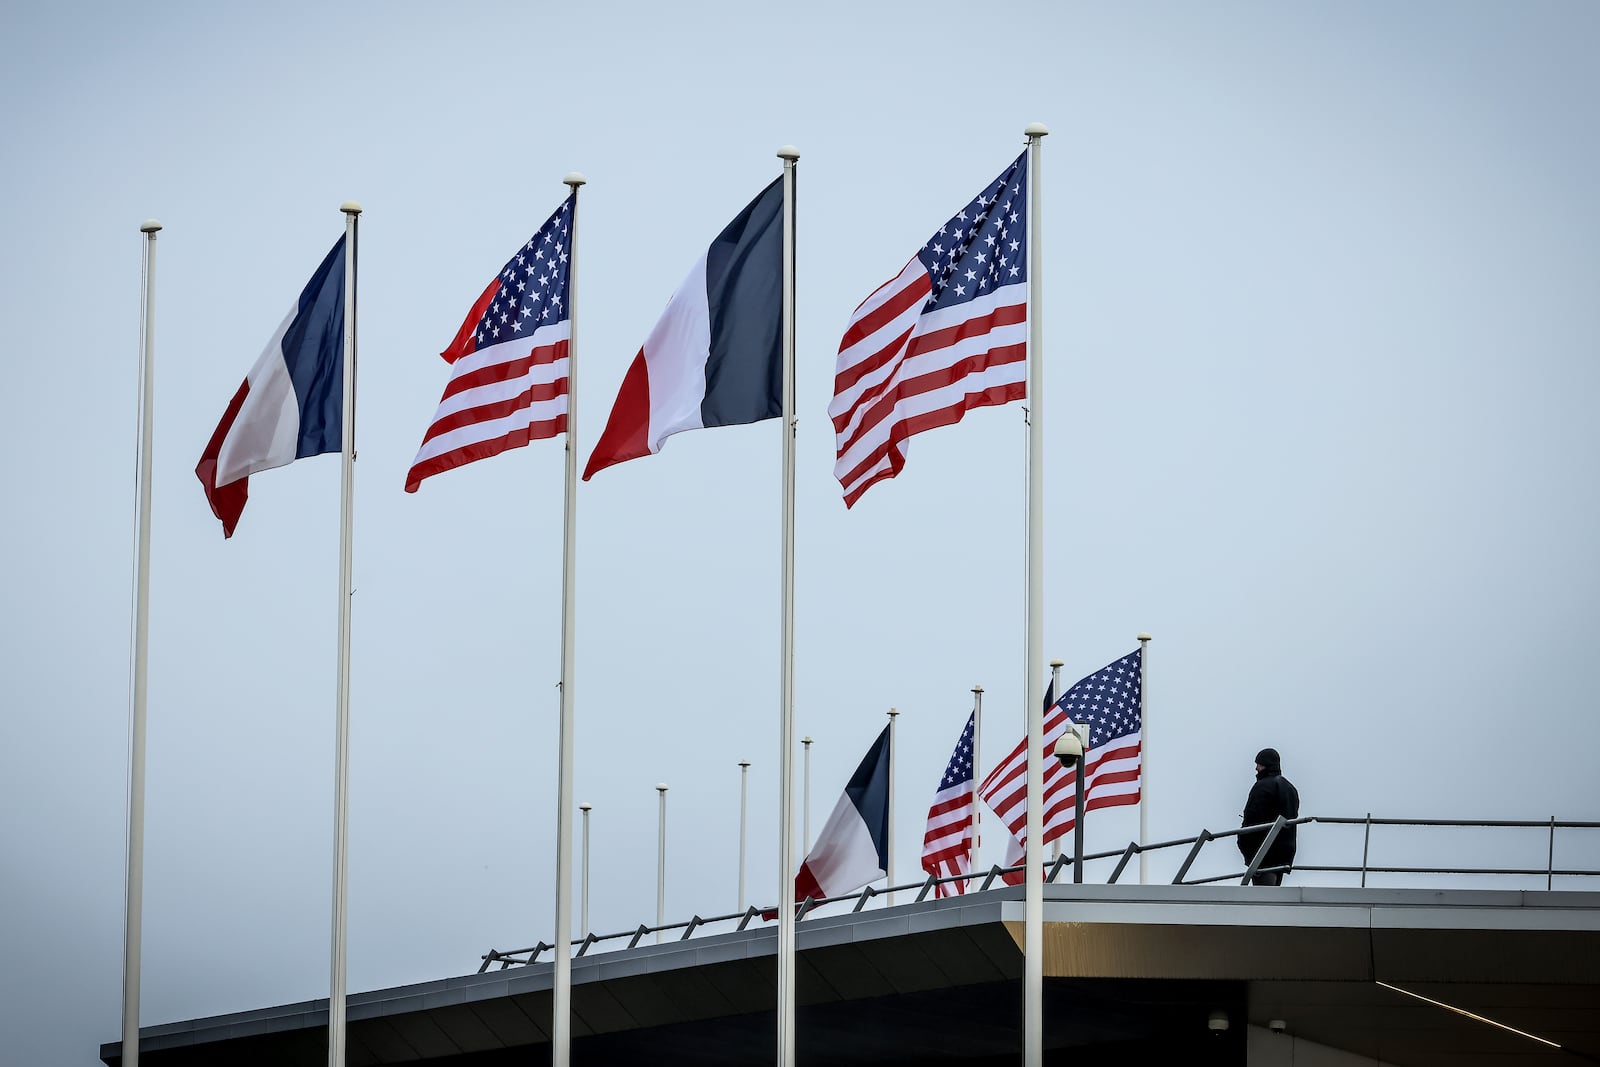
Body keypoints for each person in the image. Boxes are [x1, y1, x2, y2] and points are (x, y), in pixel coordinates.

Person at [1238, 748, 1299, 885]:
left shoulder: (1262, 787)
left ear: (1265, 764)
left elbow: (1253, 819)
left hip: (1263, 855)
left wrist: (1244, 845)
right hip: (1283, 855)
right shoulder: (1290, 788)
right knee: (1273, 895)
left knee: (1262, 897)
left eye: (1258, 764)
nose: (1256, 768)